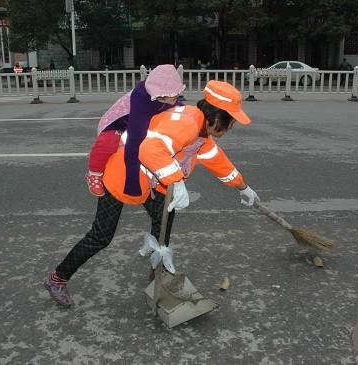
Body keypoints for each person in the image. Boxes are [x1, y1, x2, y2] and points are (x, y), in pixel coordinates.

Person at [45, 80, 261, 307]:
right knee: (101, 237)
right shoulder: (186, 124)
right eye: (232, 123)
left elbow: (215, 159)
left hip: (150, 179)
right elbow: (149, 149)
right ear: (218, 117)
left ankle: (158, 269)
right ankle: (57, 279)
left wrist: (242, 186)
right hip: (123, 174)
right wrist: (175, 181)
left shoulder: (200, 129)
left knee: (165, 216)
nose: (231, 128)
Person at [85, 64, 185, 198]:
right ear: (161, 94)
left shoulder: (168, 96)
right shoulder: (141, 97)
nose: (176, 98)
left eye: (177, 94)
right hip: (116, 123)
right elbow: (135, 141)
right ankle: (94, 173)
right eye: (173, 95)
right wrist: (132, 184)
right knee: (107, 143)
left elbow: (179, 110)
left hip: (141, 119)